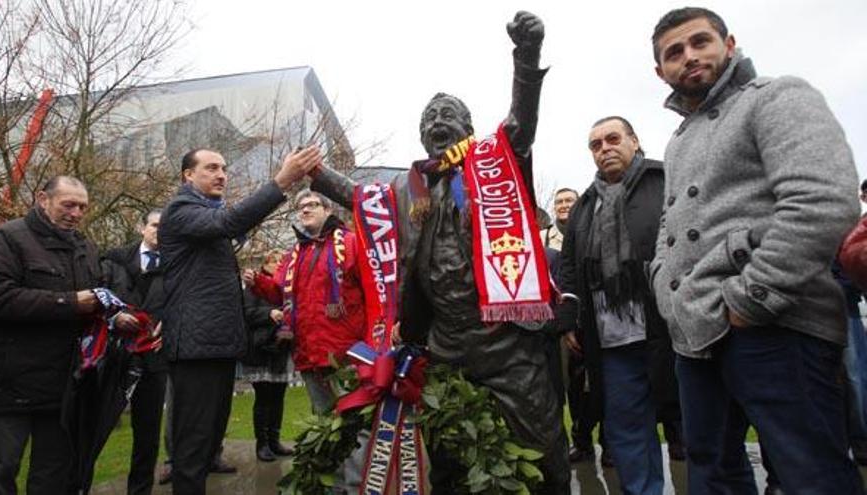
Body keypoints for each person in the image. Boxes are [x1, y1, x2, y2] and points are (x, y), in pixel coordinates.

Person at [309, 12, 571, 493]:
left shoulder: (497, 164)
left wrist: (526, 56)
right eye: (429, 119)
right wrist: (315, 174)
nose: (437, 123)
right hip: (445, 349)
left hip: (509, 346)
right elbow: (361, 199)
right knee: (450, 462)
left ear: (467, 126)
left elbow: (522, 121)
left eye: (447, 115)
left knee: (543, 453)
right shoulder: (409, 189)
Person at [649, 7, 863, 493]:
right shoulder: (678, 141)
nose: (689, 57)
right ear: (660, 71)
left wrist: (754, 297)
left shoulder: (779, 95)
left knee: (808, 473)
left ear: (729, 44)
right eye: (674, 53)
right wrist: (665, 284)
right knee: (712, 471)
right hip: (695, 335)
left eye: (700, 42)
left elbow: (823, 202)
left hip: (776, 326)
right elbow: (669, 228)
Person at [159, 146, 321, 494]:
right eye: (211, 168)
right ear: (188, 175)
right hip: (194, 347)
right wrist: (282, 181)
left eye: (224, 168)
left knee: (207, 442)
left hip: (215, 345)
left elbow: (231, 223)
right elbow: (230, 222)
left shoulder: (206, 215)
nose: (221, 174)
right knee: (192, 444)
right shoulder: (180, 209)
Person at [557, 116, 678, 494]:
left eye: (613, 139)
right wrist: (571, 321)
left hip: (671, 329)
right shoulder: (584, 206)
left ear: (634, 141)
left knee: (696, 427)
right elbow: (571, 268)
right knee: (627, 429)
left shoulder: (664, 181)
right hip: (611, 341)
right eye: (596, 144)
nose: (605, 148)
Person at [0, 176, 103, 495]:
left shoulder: (86, 248)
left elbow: (98, 296)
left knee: (52, 474)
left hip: (63, 386)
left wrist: (117, 314)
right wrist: (70, 302)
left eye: (82, 207)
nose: (76, 213)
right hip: (8, 385)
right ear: (42, 199)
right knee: (1, 470)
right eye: (69, 204)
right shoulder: (4, 239)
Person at [245, 190, 367, 492]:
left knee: (353, 424)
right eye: (300, 207)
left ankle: (357, 486)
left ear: (328, 210)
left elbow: (372, 290)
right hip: (309, 353)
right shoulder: (294, 254)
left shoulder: (351, 243)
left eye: (312, 205)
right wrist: (257, 282)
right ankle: (335, 487)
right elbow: (279, 292)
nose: (305, 210)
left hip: (346, 354)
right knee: (326, 424)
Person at [101, 209, 169, 494]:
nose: (159, 231)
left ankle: (139, 490)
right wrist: (113, 319)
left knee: (148, 432)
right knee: (97, 425)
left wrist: (171, 324)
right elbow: (97, 294)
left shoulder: (178, 265)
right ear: (142, 228)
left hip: (154, 357)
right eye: (154, 225)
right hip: (115, 355)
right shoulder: (113, 258)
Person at [241, 277, 294, 463]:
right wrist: (269, 313)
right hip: (261, 350)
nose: (278, 264)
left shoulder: (285, 288)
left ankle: (274, 441)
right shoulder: (252, 287)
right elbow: (246, 313)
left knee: (278, 396)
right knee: (263, 397)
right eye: (274, 261)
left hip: (281, 350)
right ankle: (261, 444)